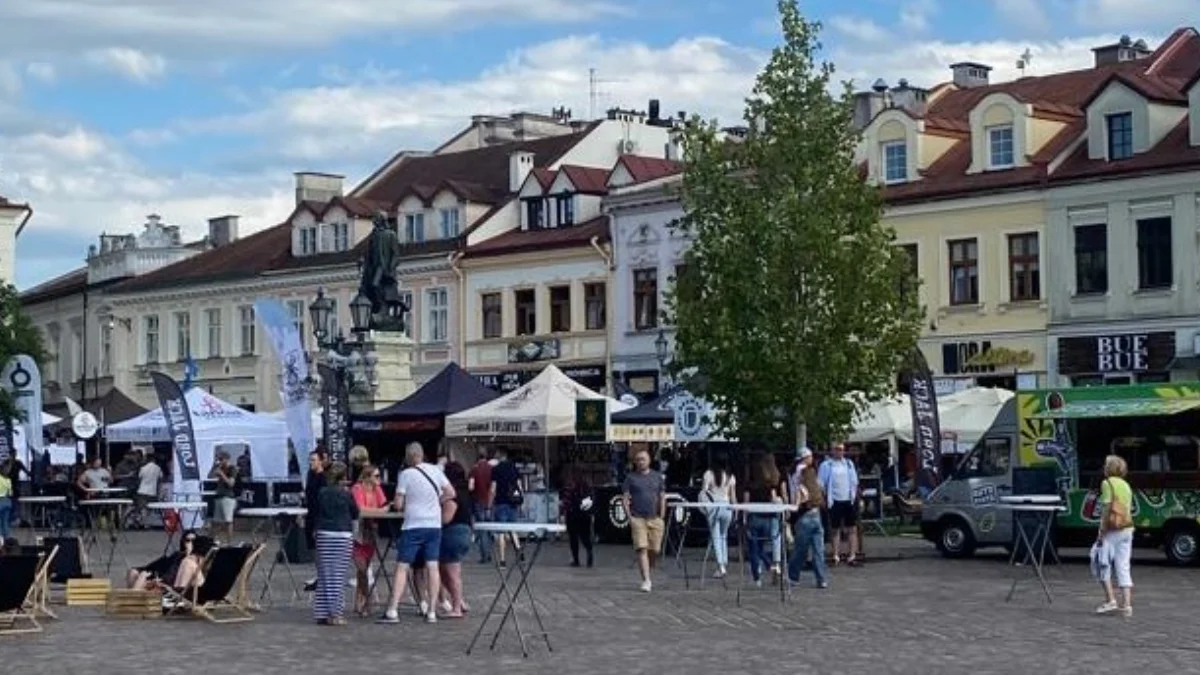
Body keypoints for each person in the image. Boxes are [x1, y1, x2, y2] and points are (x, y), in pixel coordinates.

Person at [378, 442, 454, 625]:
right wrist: (436, 500)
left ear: (408, 456)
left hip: (413, 525)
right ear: (422, 455)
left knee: (402, 567)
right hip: (434, 525)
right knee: (432, 567)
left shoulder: (406, 474)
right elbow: (450, 492)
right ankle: (432, 612)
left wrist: (404, 503)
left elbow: (398, 504)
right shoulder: (436, 470)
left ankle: (393, 609)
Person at [313, 462, 359, 626]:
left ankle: (322, 612)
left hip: (324, 534)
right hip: (342, 534)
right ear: (343, 477)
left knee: (325, 574)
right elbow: (355, 512)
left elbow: (315, 511)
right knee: (337, 576)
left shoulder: (322, 492)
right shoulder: (346, 494)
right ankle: (335, 613)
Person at [1096, 454, 1135, 617]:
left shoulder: (1107, 483)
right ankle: (1126, 605)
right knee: (1123, 565)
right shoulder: (1126, 485)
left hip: (1112, 530)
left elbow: (1106, 510)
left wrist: (1101, 531)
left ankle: (1110, 600)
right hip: (1127, 528)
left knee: (1101, 561)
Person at [622, 448, 665, 593]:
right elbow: (625, 498)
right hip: (638, 518)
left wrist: (662, 515)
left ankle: (648, 569)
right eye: (638, 459)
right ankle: (646, 580)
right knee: (642, 548)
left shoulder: (657, 477)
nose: (641, 462)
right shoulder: (631, 478)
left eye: (643, 459)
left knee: (655, 549)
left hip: (654, 518)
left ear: (649, 460)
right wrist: (629, 516)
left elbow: (662, 496)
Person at [788, 448, 829, 588]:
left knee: (801, 549)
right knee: (818, 549)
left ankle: (793, 576)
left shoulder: (794, 472)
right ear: (806, 458)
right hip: (814, 512)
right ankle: (821, 578)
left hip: (803, 514)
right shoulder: (806, 471)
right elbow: (805, 491)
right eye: (810, 457)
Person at [350, 462, 388, 617]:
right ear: (367, 477)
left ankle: (360, 601)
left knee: (365, 568)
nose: (379, 479)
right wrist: (379, 511)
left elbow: (385, 505)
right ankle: (366, 600)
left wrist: (382, 509)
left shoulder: (377, 489)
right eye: (376, 476)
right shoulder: (357, 488)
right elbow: (360, 509)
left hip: (370, 531)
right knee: (361, 568)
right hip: (357, 532)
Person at [438, 461, 473, 618]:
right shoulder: (465, 492)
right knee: (447, 570)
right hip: (465, 531)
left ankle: (457, 607)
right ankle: (459, 601)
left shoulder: (452, 494)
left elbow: (446, 518)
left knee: (451, 572)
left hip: (453, 533)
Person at [818, 441, 860, 566]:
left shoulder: (848, 464)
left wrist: (855, 496)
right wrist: (824, 499)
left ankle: (852, 555)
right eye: (836, 449)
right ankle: (835, 554)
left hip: (848, 499)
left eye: (841, 449)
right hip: (834, 499)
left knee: (852, 528)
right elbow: (820, 483)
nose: (839, 452)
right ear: (832, 450)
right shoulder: (826, 465)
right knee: (835, 529)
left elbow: (854, 481)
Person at [743, 455, 783, 586]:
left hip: (754, 517)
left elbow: (746, 503)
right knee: (761, 546)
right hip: (768, 518)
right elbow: (773, 500)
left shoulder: (750, 484)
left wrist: (744, 519)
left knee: (753, 549)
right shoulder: (770, 484)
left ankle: (757, 577)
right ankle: (771, 565)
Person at [700, 453, 736, 578]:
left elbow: (704, 492)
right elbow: (733, 496)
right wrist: (735, 509)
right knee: (723, 536)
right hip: (727, 507)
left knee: (715, 537)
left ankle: (720, 565)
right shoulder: (730, 476)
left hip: (713, 507)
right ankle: (724, 563)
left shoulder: (709, 474)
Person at [127, 530, 201, 590]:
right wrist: (157, 580)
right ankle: (132, 602)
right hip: (163, 582)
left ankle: (130, 603)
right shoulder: (178, 555)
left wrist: (189, 553)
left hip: (171, 589)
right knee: (133, 572)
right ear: (183, 542)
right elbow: (167, 570)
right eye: (188, 540)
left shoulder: (194, 560)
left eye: (193, 541)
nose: (190, 543)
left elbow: (178, 580)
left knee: (142, 577)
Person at [489, 447, 523, 567]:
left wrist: (489, 503)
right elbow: (519, 485)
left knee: (501, 532)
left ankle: (502, 560)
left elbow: (493, 489)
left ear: (499, 456)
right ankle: (518, 549)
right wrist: (521, 499)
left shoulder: (496, 469)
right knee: (513, 528)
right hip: (512, 502)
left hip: (500, 502)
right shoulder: (514, 468)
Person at [302, 450, 327, 593]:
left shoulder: (323, 478)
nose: (311, 462)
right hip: (310, 513)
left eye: (314, 460)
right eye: (310, 460)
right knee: (314, 548)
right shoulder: (310, 475)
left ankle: (322, 577)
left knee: (320, 546)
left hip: (319, 515)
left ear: (320, 461)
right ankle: (319, 575)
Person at [560, 469, 595, 568]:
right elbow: (592, 499)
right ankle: (589, 552)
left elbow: (566, 501)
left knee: (573, 538)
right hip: (584, 514)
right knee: (585, 537)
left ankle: (576, 560)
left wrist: (563, 512)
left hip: (572, 514)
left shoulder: (569, 486)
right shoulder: (587, 486)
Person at [468, 447, 493, 563]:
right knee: (489, 529)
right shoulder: (491, 468)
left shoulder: (474, 469)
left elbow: (470, 486)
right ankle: (490, 553)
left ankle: (484, 556)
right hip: (490, 501)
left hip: (478, 501)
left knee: (482, 529)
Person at [208, 451, 239, 541]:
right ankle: (210, 540)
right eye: (218, 459)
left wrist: (221, 474)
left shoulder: (232, 469)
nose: (219, 461)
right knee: (215, 521)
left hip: (228, 497)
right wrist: (214, 467)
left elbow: (231, 483)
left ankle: (229, 541)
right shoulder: (219, 467)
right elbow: (210, 476)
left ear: (226, 459)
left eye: (221, 459)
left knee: (228, 521)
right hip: (219, 496)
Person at [132, 454, 162, 529]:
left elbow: (139, 477)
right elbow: (161, 477)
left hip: (142, 491)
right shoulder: (158, 468)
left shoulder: (143, 468)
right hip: (152, 491)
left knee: (142, 508)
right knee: (149, 509)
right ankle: (146, 523)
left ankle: (139, 521)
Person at [0, 460, 13, 541]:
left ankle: (1, 541)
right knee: (5, 522)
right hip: (7, 502)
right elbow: (10, 493)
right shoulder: (8, 480)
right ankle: (6, 540)